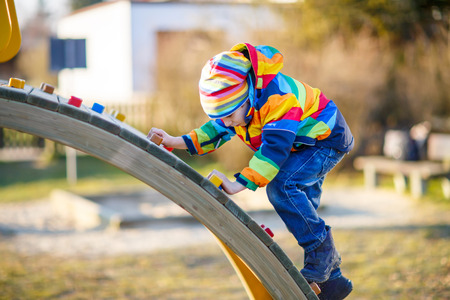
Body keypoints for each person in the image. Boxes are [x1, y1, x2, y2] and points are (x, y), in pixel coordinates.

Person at [150, 43, 354, 300]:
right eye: (221, 117)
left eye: (229, 115)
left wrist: (240, 184)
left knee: (282, 187)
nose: (226, 122)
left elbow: (274, 150)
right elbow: (213, 131)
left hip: (325, 140)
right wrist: (173, 141)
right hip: (302, 145)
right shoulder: (237, 107)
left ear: (247, 97)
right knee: (304, 209)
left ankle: (322, 255)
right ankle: (333, 282)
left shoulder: (278, 99)